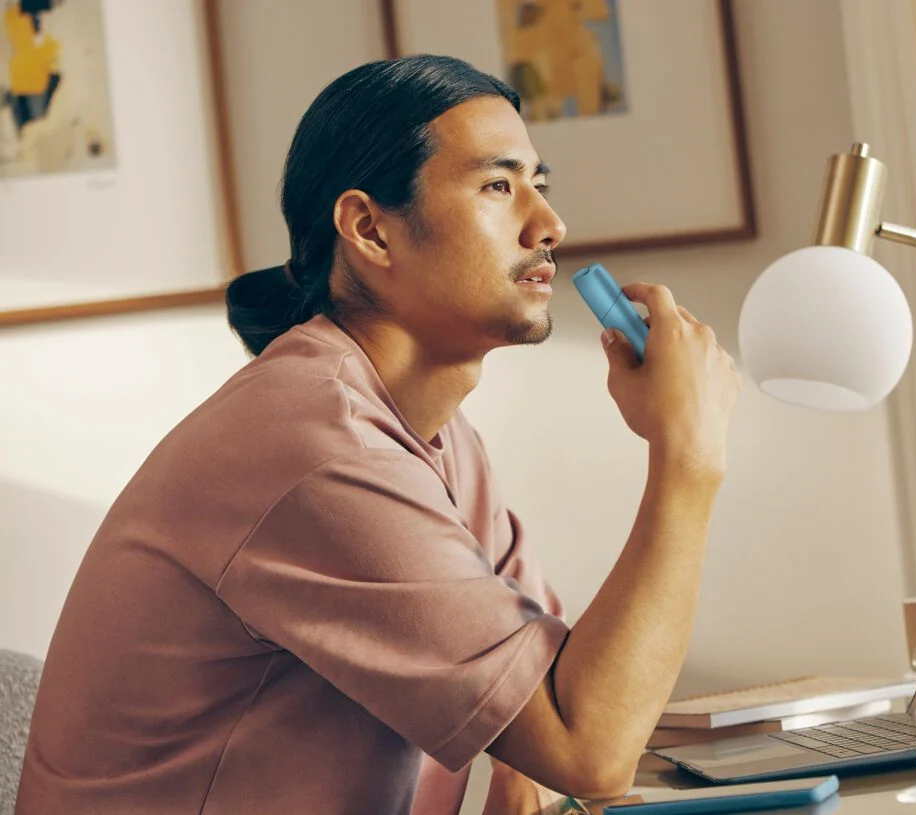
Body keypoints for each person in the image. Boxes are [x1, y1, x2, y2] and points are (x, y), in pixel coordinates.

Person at [16, 54, 740, 814]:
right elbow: (588, 748)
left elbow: (550, 692)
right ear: (370, 230)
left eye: (540, 184)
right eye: (499, 185)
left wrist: (524, 769)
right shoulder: (319, 447)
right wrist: (688, 454)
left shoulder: (438, 441)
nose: (549, 223)